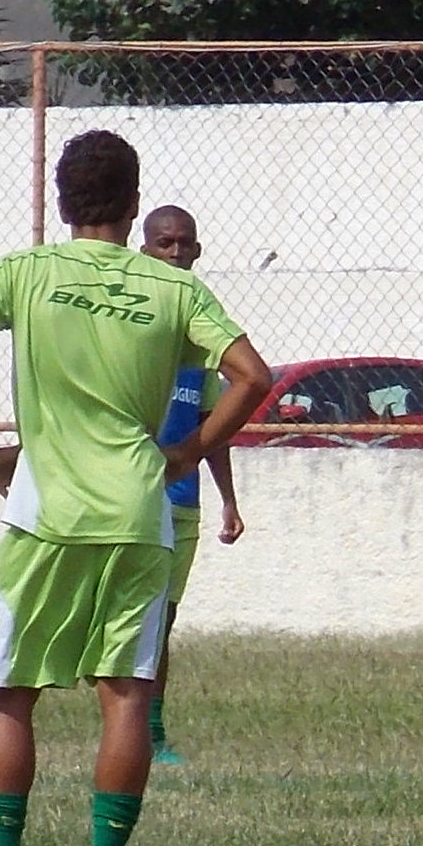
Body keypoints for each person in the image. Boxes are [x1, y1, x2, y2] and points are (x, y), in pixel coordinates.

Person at [0, 131, 271, 846]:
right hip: (139, 513)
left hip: (44, 512)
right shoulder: (174, 290)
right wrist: (185, 454)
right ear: (134, 204)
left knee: (12, 691)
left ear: (60, 200)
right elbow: (253, 375)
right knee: (127, 691)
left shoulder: (25, 272)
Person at [142, 205, 247, 765]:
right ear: (145, 249)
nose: (177, 253)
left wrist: (228, 498)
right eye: (165, 243)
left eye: (185, 244)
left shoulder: (206, 339)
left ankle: (151, 735)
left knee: (163, 619)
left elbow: (214, 427)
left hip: (182, 503)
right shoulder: (137, 323)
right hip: (130, 497)